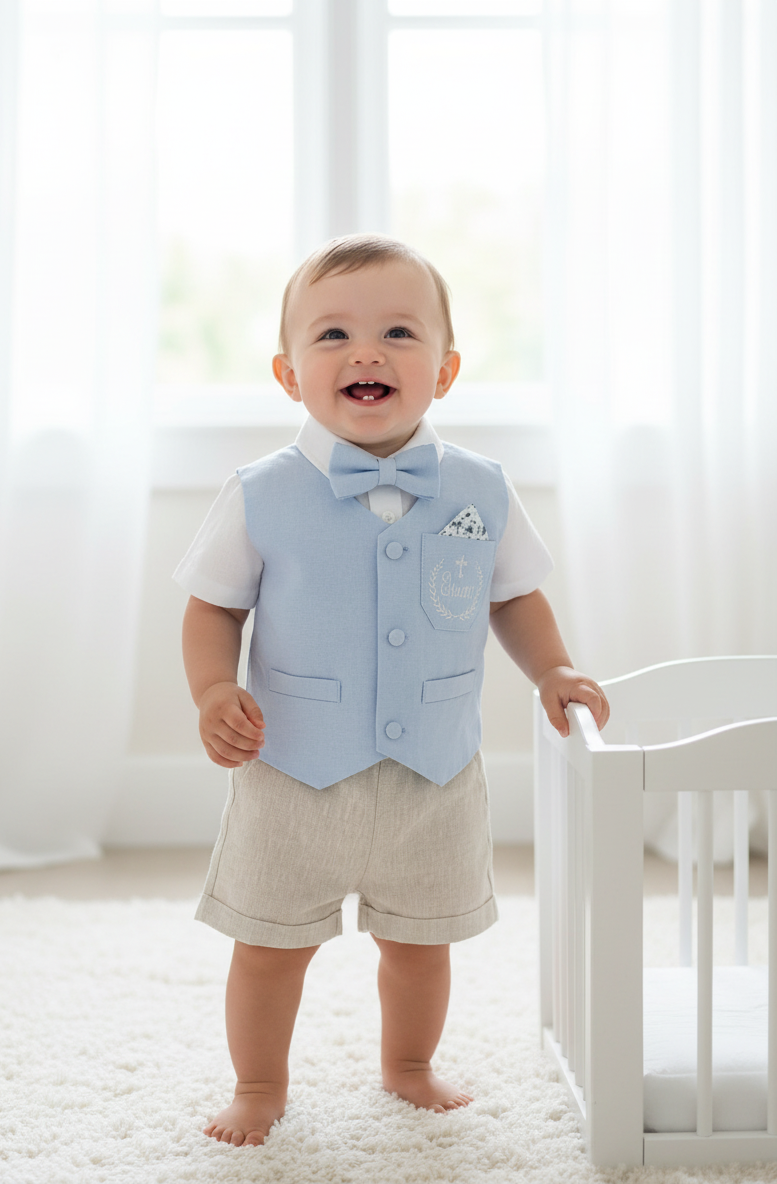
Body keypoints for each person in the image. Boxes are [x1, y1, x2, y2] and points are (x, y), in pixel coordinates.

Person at [175, 233, 609, 1148]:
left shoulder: (481, 488)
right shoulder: (260, 493)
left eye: (398, 333)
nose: (365, 353)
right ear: (288, 375)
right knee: (270, 947)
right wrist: (213, 689)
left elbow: (513, 596)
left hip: (434, 774)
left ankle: (408, 1064)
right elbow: (213, 606)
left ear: (445, 370)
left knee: (420, 944)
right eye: (332, 334)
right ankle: (259, 1082)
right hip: (292, 771)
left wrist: (554, 669)